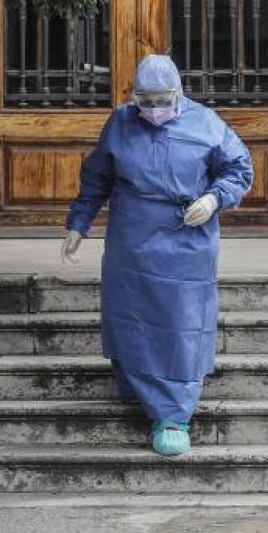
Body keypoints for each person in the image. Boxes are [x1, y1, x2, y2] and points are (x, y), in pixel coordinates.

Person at [61, 55, 253, 457]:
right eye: (144, 101)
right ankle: (137, 387)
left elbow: (238, 168)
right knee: (130, 315)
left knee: (180, 321)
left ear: (178, 94)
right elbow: (97, 176)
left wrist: (214, 198)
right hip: (132, 233)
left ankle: (172, 414)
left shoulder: (206, 124)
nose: (153, 109)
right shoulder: (120, 122)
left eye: (161, 100)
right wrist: (79, 223)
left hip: (186, 235)